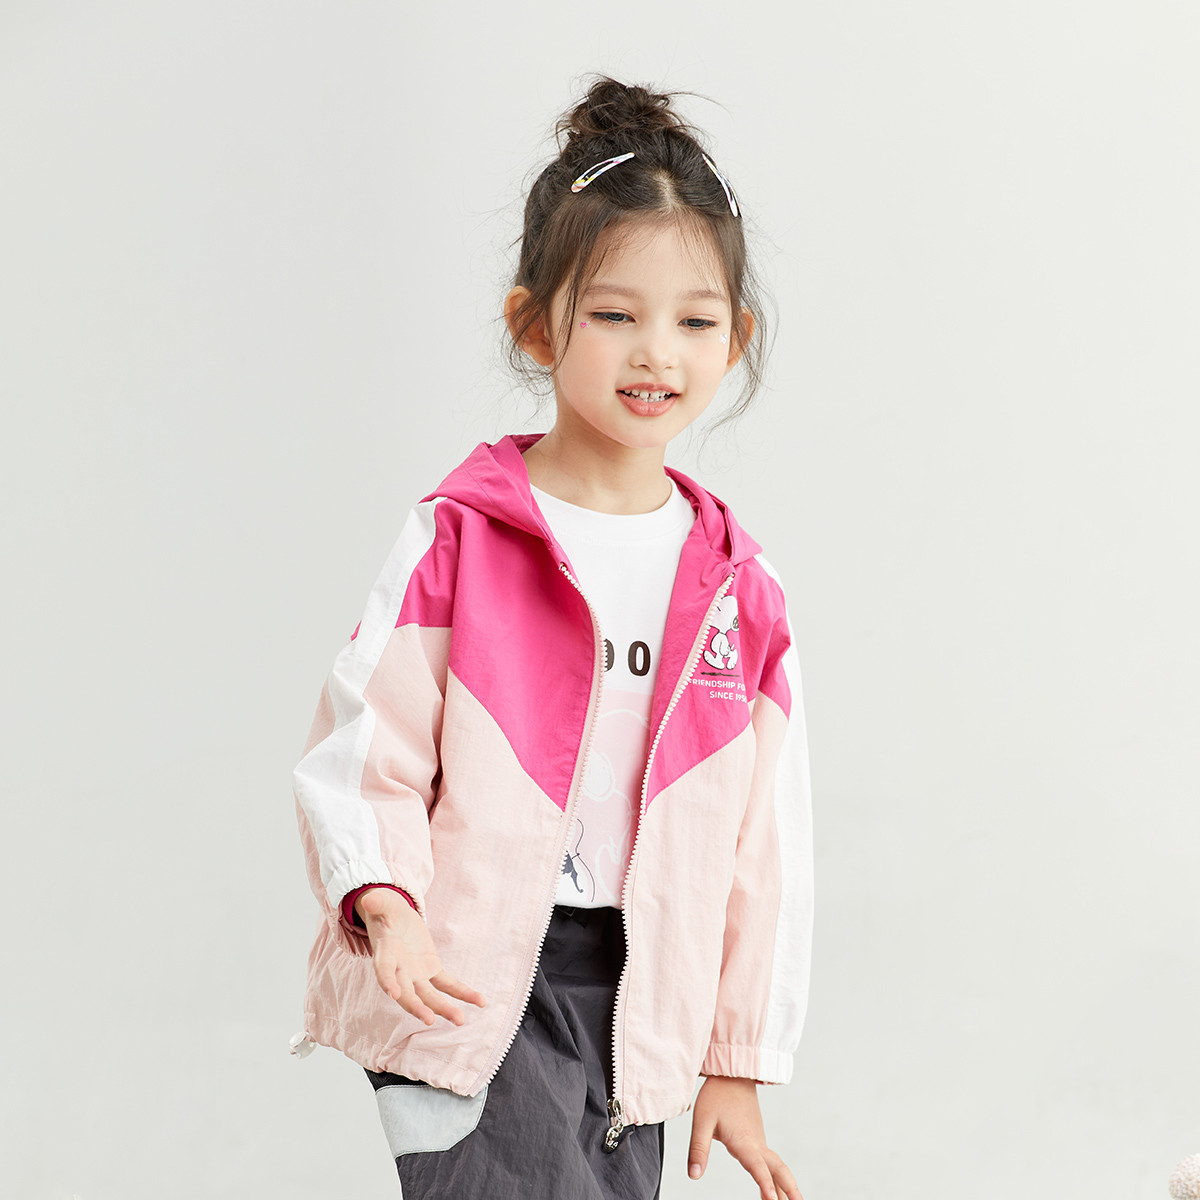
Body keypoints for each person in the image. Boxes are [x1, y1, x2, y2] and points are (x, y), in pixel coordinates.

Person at [290, 73, 814, 1200]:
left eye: (695, 322)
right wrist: (386, 903)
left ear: (736, 339)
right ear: (534, 323)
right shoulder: (465, 537)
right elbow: (365, 742)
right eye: (615, 314)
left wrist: (735, 1058)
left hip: (641, 992)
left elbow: (765, 847)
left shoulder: (739, 589)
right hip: (472, 970)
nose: (656, 353)